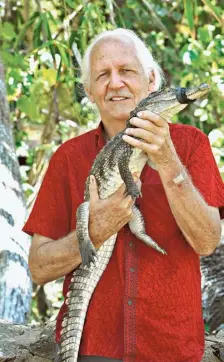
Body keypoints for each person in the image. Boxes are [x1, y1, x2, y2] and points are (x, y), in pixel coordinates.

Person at [23, 28, 224, 362]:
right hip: (93, 349)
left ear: (151, 80)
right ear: (89, 90)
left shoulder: (191, 145)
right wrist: (94, 230)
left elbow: (207, 242)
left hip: (172, 349)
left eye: (126, 71)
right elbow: (39, 268)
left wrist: (166, 159)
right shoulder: (68, 158)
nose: (115, 83)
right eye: (103, 75)